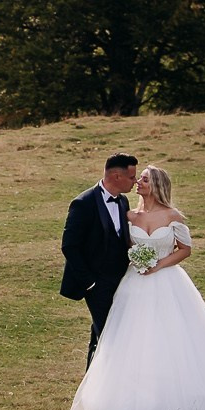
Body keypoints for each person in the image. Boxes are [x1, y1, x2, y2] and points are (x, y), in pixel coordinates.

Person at [68, 165, 205, 410]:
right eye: (138, 178)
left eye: (145, 179)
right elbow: (119, 245)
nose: (138, 182)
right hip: (134, 284)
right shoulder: (129, 214)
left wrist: (159, 265)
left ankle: (176, 400)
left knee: (171, 336)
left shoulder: (173, 216)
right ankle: (128, 400)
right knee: (131, 338)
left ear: (157, 185)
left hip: (167, 282)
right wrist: (132, 263)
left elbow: (185, 250)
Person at [60, 153, 136, 363]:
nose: (135, 182)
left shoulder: (123, 201)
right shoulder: (83, 203)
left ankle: (93, 382)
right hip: (96, 284)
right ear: (117, 176)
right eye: (132, 177)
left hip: (121, 281)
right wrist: (90, 283)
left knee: (102, 334)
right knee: (110, 335)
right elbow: (69, 246)